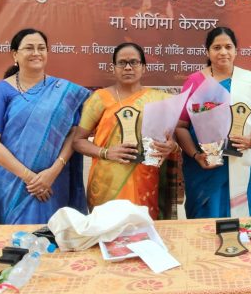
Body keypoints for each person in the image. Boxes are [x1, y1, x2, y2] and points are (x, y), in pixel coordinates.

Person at [0, 28, 89, 224]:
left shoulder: (63, 90)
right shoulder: (1, 91)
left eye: (41, 48)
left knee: (55, 234)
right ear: (15, 54)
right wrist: (30, 178)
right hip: (14, 182)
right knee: (17, 237)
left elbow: (73, 133)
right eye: (29, 48)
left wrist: (53, 171)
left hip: (54, 180)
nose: (36, 53)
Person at [175, 27, 251, 218]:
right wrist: (196, 155)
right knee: (207, 218)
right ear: (207, 51)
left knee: (244, 219)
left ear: (236, 51)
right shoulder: (195, 81)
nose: (223, 52)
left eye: (228, 47)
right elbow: (180, 126)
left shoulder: (249, 83)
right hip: (206, 166)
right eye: (216, 47)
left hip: (243, 161)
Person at [73, 43, 179, 219]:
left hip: (146, 181)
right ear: (113, 68)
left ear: (143, 67)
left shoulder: (159, 99)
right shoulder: (100, 98)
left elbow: (171, 139)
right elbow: (78, 141)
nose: (128, 67)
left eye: (134, 62)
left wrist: (171, 146)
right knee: (109, 230)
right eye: (122, 63)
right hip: (107, 184)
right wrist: (106, 152)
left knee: (143, 231)